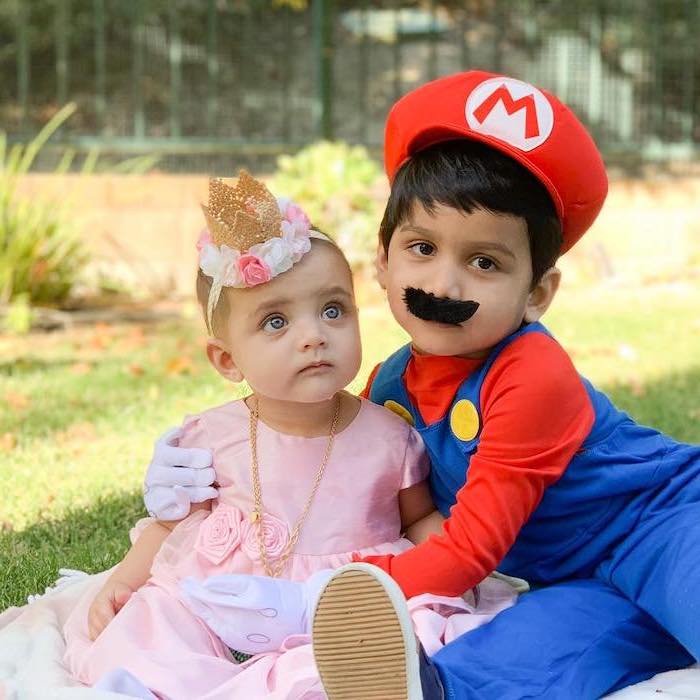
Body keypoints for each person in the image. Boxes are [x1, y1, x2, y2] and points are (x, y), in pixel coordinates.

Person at [145, 71, 700, 700]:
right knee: (516, 657)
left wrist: (321, 597)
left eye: (484, 262)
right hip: (571, 577)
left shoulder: (530, 374)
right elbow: (323, 453)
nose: (444, 285)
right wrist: (189, 472)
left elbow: (471, 548)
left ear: (538, 294)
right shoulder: (390, 383)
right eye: (422, 247)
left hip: (665, 520)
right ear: (382, 260)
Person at [62, 171, 515, 700]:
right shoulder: (211, 436)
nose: (313, 335)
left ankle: (335, 679)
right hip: (219, 593)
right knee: (149, 631)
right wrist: (125, 579)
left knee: (413, 628)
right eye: (276, 322)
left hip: (343, 595)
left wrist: (459, 565)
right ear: (228, 360)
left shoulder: (389, 436)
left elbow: (417, 518)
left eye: (332, 310)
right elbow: (172, 526)